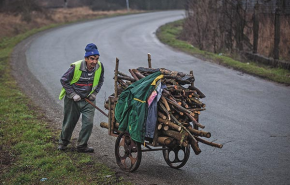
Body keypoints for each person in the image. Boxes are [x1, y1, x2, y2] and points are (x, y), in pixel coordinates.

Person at [58, 43, 104, 153]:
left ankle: (82, 145)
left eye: (96, 59)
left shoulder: (100, 66)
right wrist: (73, 94)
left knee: (88, 123)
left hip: (88, 100)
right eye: (92, 59)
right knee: (69, 122)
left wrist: (95, 93)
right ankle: (63, 143)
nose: (94, 62)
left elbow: (101, 80)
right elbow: (64, 80)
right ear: (86, 58)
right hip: (73, 100)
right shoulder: (76, 67)